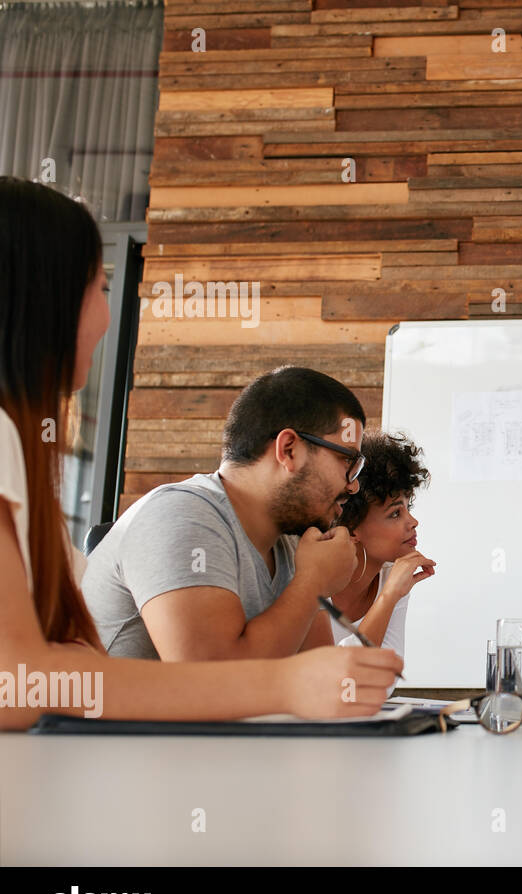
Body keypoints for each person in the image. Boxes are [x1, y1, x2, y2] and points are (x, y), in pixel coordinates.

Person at [0, 176, 401, 730]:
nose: (106, 315)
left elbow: (62, 667)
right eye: (99, 286)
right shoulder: (181, 512)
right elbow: (21, 683)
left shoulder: (290, 547)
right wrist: (290, 665)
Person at [82, 365, 369, 661]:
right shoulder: (181, 514)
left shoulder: (295, 545)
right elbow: (210, 682)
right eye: (347, 461)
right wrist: (313, 583)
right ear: (289, 449)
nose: (354, 485)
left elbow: (318, 677)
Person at [330, 431, 436, 653]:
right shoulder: (316, 578)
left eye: (409, 508)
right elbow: (335, 678)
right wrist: (388, 597)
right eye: (395, 513)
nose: (414, 522)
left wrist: (391, 592)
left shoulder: (393, 577)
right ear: (351, 527)